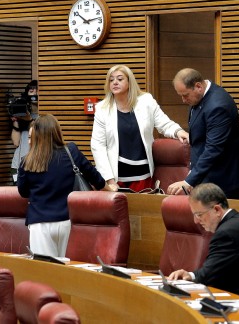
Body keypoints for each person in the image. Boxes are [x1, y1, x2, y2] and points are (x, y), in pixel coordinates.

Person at [168, 183, 239, 300]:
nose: (196, 221)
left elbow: (208, 275)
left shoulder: (226, 233)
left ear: (217, 210)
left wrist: (189, 276)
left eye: (199, 215)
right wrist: (190, 275)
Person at [18, 114, 106, 257]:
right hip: (68, 220)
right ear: (56, 132)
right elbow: (97, 180)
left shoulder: (26, 161)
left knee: (45, 271)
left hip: (39, 223)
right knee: (69, 270)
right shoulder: (71, 151)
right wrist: (111, 188)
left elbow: (23, 192)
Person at [91, 65, 189, 192]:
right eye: (111, 80)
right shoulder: (102, 109)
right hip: (116, 178)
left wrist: (179, 131)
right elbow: (97, 146)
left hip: (144, 175)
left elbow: (164, 123)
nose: (115, 82)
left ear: (129, 82)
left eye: (120, 79)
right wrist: (109, 180)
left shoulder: (146, 101)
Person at [167, 68, 239, 199]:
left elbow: (213, 149)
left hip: (221, 181)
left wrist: (189, 181)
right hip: (206, 178)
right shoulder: (199, 97)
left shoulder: (218, 106)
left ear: (198, 86)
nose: (183, 100)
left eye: (185, 95)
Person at [11, 80, 39, 184]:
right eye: (31, 90)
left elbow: (39, 134)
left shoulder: (45, 116)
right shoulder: (24, 112)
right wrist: (16, 120)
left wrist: (29, 120)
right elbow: (15, 142)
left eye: (37, 90)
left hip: (37, 164)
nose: (35, 93)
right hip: (18, 164)